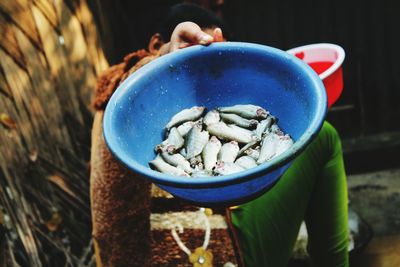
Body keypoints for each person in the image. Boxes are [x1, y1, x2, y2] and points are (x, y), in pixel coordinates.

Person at [90, 3, 349, 267]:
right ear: (157, 43)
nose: (206, 75)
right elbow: (133, 96)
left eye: (215, 64)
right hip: (191, 256)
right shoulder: (122, 100)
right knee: (324, 137)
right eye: (195, 60)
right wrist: (164, 59)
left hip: (217, 210)